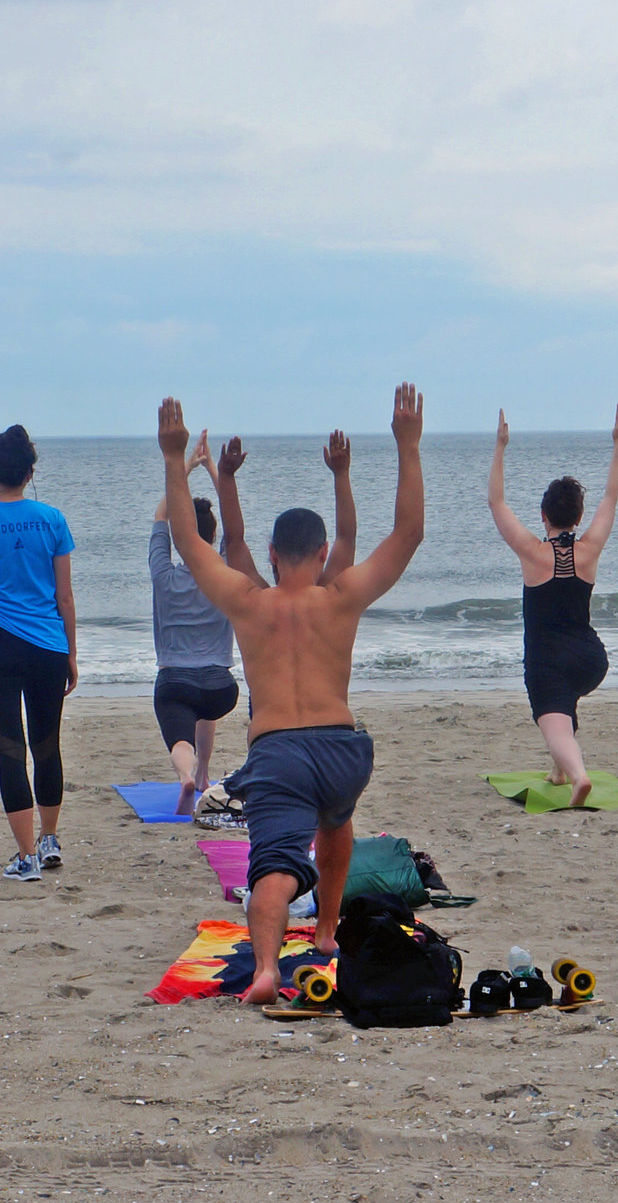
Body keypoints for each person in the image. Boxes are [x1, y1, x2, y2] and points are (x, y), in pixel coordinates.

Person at [156, 384, 426, 1005]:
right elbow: (408, 533)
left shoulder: (250, 603)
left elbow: (193, 547)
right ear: (324, 552)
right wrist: (407, 447)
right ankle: (327, 932)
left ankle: (268, 971)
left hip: (280, 752)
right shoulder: (343, 596)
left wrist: (176, 461)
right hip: (345, 751)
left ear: (273, 555)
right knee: (338, 820)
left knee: (275, 863)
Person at [0, 425, 79, 881]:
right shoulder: (53, 519)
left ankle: (25, 857)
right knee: (48, 744)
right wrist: (71, 652)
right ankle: (49, 838)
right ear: (30, 471)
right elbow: (64, 595)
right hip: (48, 643)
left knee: (10, 748)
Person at [487, 407, 618, 807]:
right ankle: (560, 771)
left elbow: (496, 501)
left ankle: (578, 775)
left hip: (547, 660)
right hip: (590, 658)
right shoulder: (589, 549)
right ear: (579, 516)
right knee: (565, 701)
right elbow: (611, 497)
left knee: (555, 724)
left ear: (543, 515)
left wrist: (500, 446)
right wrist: (617, 444)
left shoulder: (532, 552)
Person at [150, 430, 241, 816]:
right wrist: (213, 470)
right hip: (221, 686)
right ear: (214, 535)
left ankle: (188, 775)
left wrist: (182, 469)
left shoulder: (164, 575)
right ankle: (204, 776)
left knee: (179, 737)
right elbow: (234, 529)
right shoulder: (224, 574)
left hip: (175, 682)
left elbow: (160, 517)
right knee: (204, 709)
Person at [212, 431, 359, 586]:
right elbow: (346, 539)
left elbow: (234, 542)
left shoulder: (257, 602)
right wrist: (341, 473)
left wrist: (227, 475)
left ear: (273, 554)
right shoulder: (333, 601)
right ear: (323, 553)